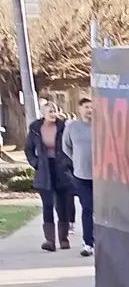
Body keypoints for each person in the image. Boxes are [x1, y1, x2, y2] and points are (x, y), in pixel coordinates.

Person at [24, 100, 76, 252]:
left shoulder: (63, 127)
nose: (53, 114)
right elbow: (28, 149)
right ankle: (50, 241)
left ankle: (63, 239)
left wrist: (68, 162)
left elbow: (70, 145)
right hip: (44, 170)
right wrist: (36, 163)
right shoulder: (35, 129)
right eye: (50, 112)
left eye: (55, 111)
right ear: (43, 114)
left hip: (61, 169)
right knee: (47, 206)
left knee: (62, 206)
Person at [63, 96, 96, 257]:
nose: (89, 110)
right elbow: (66, 147)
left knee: (103, 210)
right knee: (87, 208)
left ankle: (102, 240)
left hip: (101, 177)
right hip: (82, 175)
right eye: (86, 107)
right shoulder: (72, 127)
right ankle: (88, 243)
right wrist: (77, 161)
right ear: (80, 109)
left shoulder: (102, 126)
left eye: (91, 107)